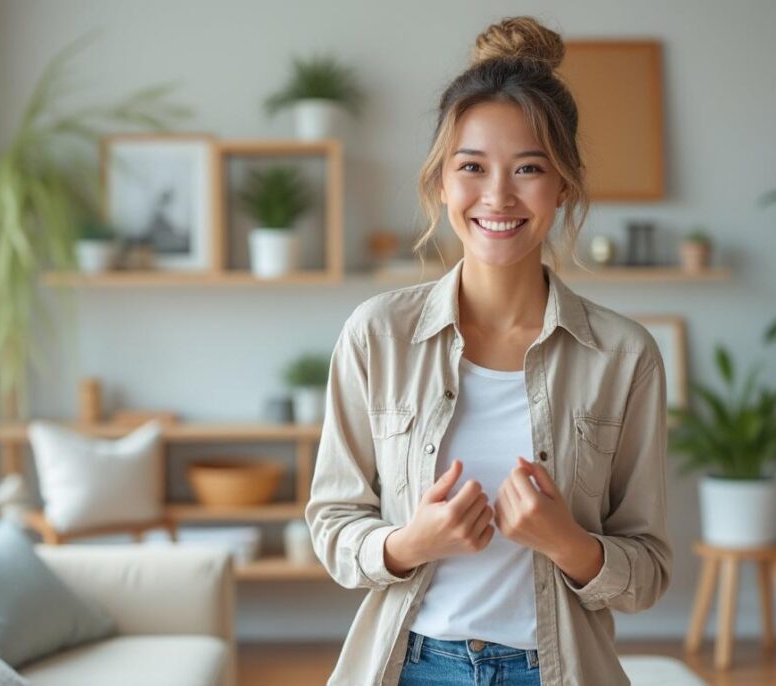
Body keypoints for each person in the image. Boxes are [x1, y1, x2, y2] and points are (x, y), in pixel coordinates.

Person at [305, 15, 672, 686]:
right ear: (441, 183)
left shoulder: (624, 356)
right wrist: (411, 543)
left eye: (528, 169)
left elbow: (648, 571)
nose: (498, 196)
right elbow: (332, 524)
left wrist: (566, 543)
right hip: (411, 666)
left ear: (563, 185)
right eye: (472, 167)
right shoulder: (377, 336)